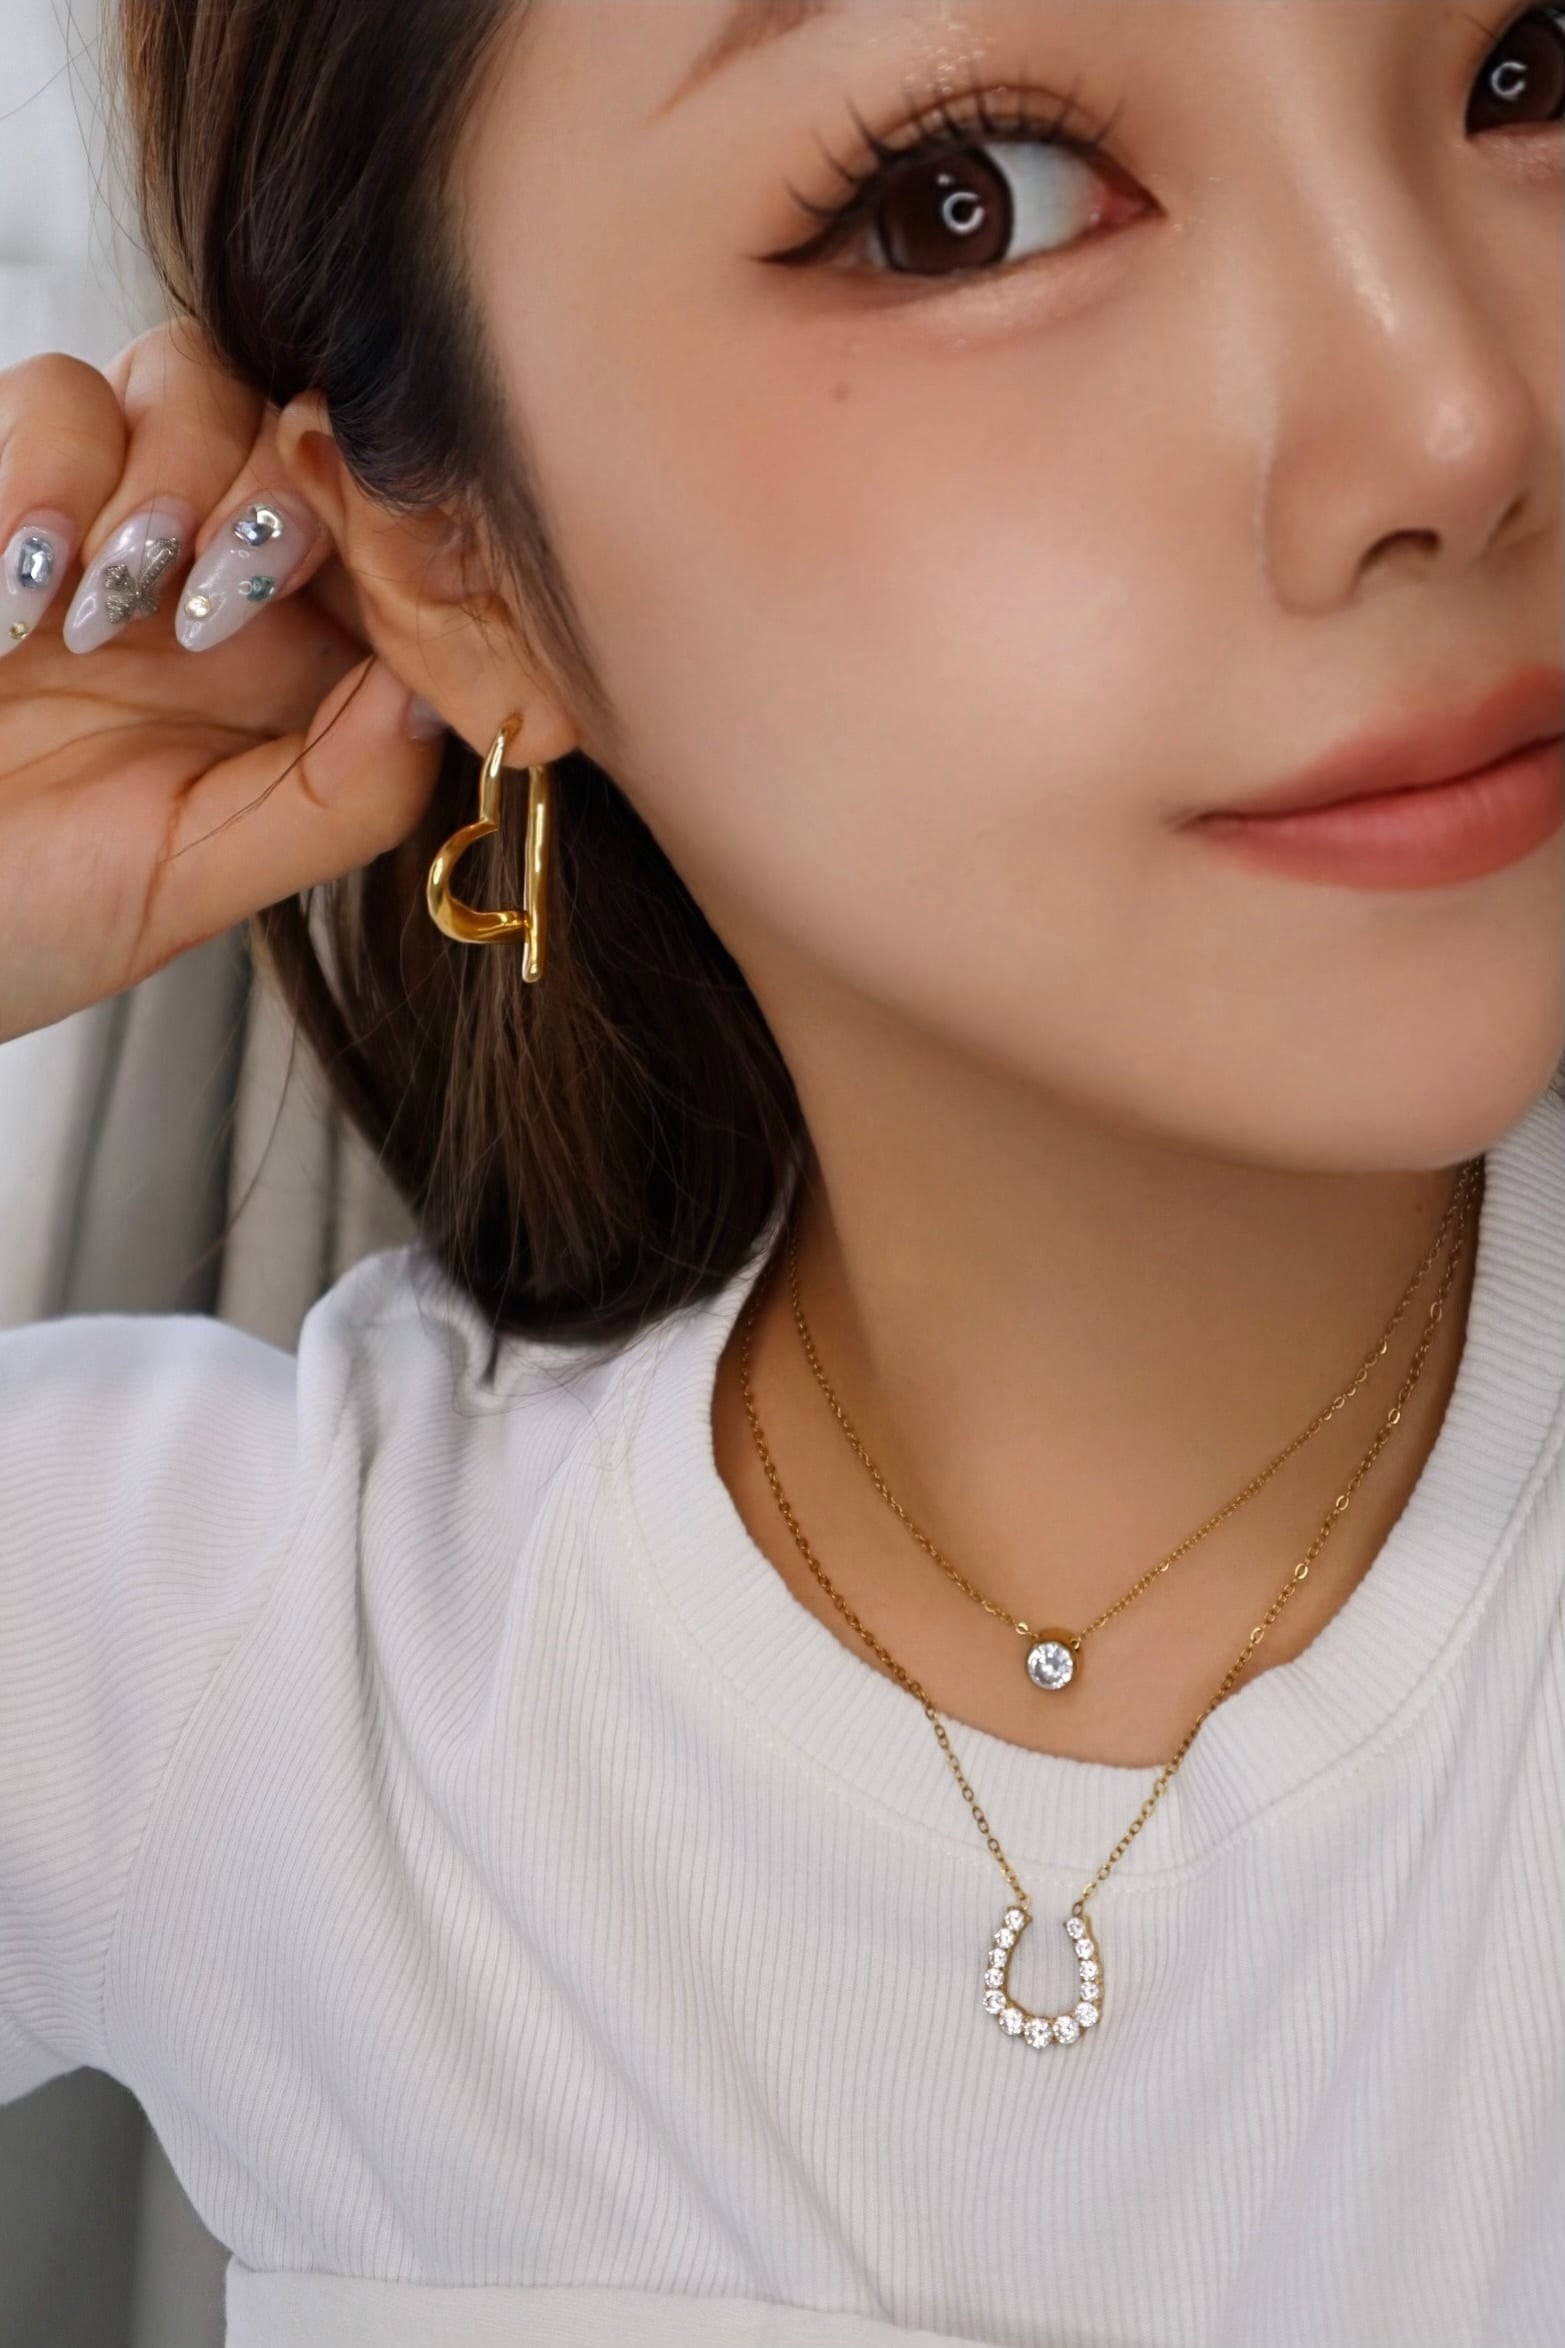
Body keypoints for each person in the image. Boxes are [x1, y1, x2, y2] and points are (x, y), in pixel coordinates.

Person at [0, 3, 1562, 2343]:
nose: (1455, 417)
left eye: (1533, 72)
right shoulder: (221, 1667)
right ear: (447, 561)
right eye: (966, 201)